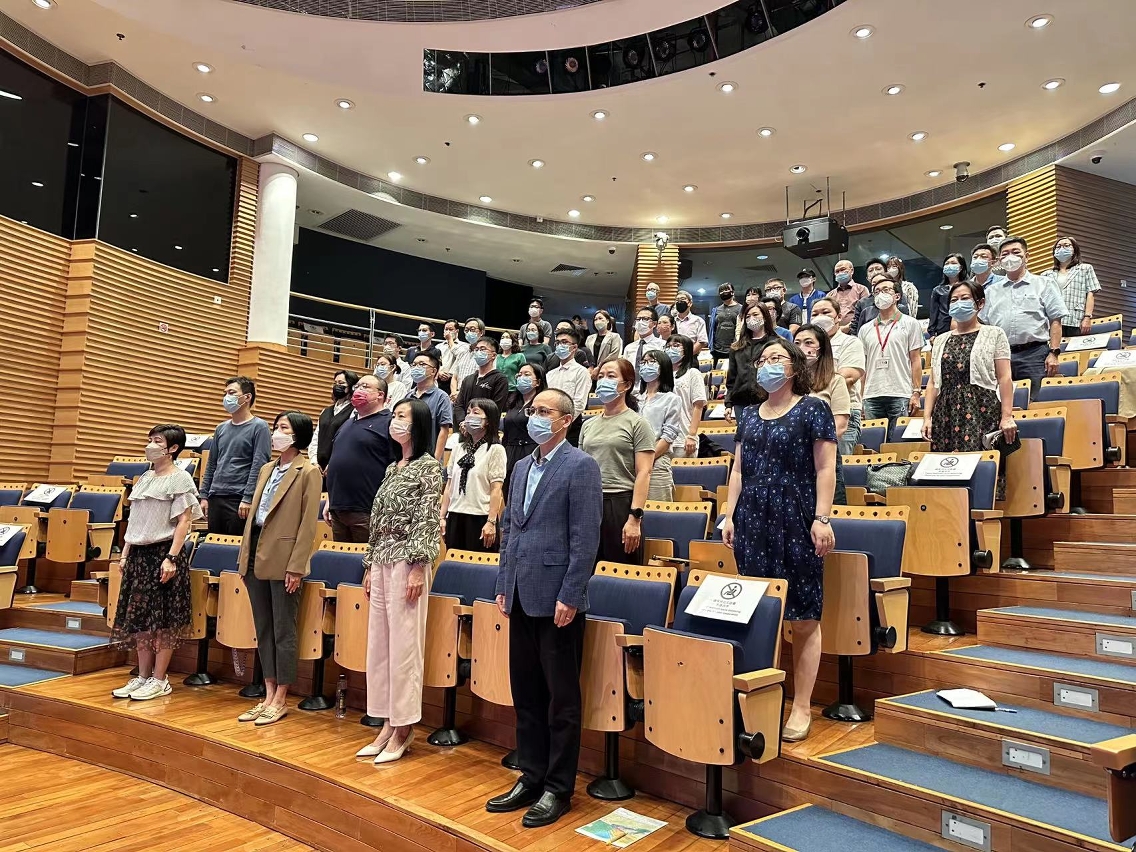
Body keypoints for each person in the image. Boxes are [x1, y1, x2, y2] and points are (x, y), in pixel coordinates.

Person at [486, 388, 602, 828]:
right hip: (520, 593)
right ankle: (531, 776)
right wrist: (503, 583)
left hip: (558, 600)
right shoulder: (520, 467)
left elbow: (585, 539)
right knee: (527, 695)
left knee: (561, 701)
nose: (534, 416)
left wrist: (570, 594)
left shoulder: (581, 465)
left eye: (544, 411)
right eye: (531, 410)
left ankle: (558, 787)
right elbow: (511, 531)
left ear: (565, 420)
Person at [722, 341, 836, 742]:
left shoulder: (813, 408)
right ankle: (759, 699)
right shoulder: (748, 414)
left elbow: (825, 468)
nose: (767, 365)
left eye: (776, 358)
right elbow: (738, 470)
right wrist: (729, 514)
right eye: (763, 360)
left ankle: (801, 705)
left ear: (795, 367)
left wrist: (822, 518)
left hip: (796, 516)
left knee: (803, 617)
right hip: (752, 518)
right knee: (758, 614)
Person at [354, 398, 444, 765]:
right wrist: (368, 564)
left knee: (405, 646)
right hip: (382, 559)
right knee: (380, 644)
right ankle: (386, 722)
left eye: (402, 416)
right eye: (394, 415)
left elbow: (427, 519)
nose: (395, 421)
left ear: (418, 423)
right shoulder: (393, 467)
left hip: (408, 560)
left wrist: (420, 565)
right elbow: (377, 521)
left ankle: (404, 727)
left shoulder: (429, 467)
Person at [235, 411, 321, 727]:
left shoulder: (308, 472)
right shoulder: (267, 468)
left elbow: (308, 525)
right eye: (275, 427)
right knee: (264, 627)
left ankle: (282, 697)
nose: (276, 433)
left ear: (298, 435)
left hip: (285, 559)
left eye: (283, 428)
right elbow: (254, 518)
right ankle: (268, 692)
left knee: (284, 628)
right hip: (256, 552)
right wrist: (243, 558)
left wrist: (296, 567)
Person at [110, 424, 203, 701]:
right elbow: (135, 521)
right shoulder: (145, 477)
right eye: (150, 439)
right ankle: (142, 676)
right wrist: (125, 552)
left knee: (163, 620)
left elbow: (184, 521)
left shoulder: (180, 479)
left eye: (158, 441)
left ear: (172, 448)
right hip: (138, 554)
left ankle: (160, 680)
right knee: (141, 618)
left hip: (164, 554)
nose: (150, 445)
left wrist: (171, 558)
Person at [923, 282, 1016, 452]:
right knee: (946, 462)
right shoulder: (940, 340)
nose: (959, 303)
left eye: (965, 298)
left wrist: (1007, 416)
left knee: (978, 460)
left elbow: (1004, 378)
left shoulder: (995, 333)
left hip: (981, 407)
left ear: (980, 303)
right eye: (954, 300)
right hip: (945, 410)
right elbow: (932, 383)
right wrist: (927, 417)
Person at [580, 358, 653, 563]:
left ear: (627, 385)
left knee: (619, 568)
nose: (604, 380)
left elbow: (644, 472)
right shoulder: (588, 424)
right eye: (601, 376)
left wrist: (634, 517)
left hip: (620, 503)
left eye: (611, 376)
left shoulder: (638, 423)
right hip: (590, 502)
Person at [979, 236, 1067, 397]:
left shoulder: (1044, 284)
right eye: (1005, 254)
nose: (1010, 257)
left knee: (1035, 401)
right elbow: (984, 325)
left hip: (1034, 354)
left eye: (1015, 252)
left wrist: (1054, 353)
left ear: (1026, 256)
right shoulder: (991, 291)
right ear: (999, 260)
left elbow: (1056, 320)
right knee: (1000, 404)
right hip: (1001, 356)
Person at [324, 375, 395, 542]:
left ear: (380, 394)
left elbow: (395, 466)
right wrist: (330, 500)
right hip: (338, 508)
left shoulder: (389, 422)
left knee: (366, 558)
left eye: (365, 386)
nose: (358, 390)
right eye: (357, 386)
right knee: (340, 558)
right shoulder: (347, 423)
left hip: (367, 509)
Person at [200, 377, 271, 536]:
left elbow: (259, 466)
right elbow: (212, 464)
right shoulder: (220, 428)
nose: (227, 397)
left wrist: (248, 498)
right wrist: (204, 495)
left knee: (235, 546)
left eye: (231, 393)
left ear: (247, 397)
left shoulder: (260, 427)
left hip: (239, 498)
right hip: (216, 495)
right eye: (225, 393)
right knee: (214, 544)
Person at [857, 276, 924, 431]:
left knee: (897, 441)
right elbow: (862, 367)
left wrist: (916, 392)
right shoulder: (865, 329)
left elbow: (915, 360)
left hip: (900, 392)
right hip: (871, 394)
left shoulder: (910, 323)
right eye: (877, 291)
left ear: (897, 296)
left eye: (886, 290)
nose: (881, 294)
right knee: (872, 442)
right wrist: (860, 398)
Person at [795, 325, 851, 505]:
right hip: (792, 459)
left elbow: (840, 425)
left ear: (822, 348)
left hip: (823, 456)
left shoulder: (835, 380)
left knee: (829, 512)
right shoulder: (788, 384)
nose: (802, 347)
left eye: (808, 342)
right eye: (797, 343)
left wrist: (809, 444)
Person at [441, 399, 506, 552]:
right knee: (453, 562)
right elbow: (449, 485)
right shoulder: (458, 448)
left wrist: (491, 521)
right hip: (455, 514)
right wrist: (442, 516)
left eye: (476, 413)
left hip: (480, 517)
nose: (470, 416)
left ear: (488, 420)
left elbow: (496, 489)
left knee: (478, 563)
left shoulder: (495, 449)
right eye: (468, 412)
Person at [812, 298, 866, 457]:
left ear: (839, 317)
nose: (820, 317)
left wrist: (811, 388)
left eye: (825, 312)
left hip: (842, 412)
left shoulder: (851, 342)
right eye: (815, 314)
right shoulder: (807, 346)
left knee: (837, 465)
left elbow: (846, 378)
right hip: (812, 413)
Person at [636, 349, 683, 501]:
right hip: (631, 462)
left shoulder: (671, 399)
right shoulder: (635, 399)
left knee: (655, 510)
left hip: (657, 461)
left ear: (663, 367)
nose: (646, 365)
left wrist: (647, 458)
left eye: (652, 362)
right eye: (643, 362)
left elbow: (668, 435)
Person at [725, 302, 780, 419]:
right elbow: (731, 379)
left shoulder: (777, 343)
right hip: (741, 402)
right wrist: (728, 404)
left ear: (765, 317)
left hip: (768, 400)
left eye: (755, 315)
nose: (751, 319)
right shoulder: (737, 347)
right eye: (748, 316)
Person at [1043, 236, 1100, 337]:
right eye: (1058, 247)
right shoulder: (1046, 275)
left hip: (1075, 319)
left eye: (1066, 245)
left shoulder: (1085, 269)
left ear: (1074, 250)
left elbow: (1090, 294)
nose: (1062, 249)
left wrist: (1087, 317)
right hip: (1051, 321)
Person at [502, 363, 547, 489]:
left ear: (538, 382)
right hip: (510, 452)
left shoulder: (542, 404)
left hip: (531, 450)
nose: (522, 378)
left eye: (527, 375)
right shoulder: (513, 402)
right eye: (519, 375)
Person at [546, 329, 591, 446]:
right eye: (557, 342)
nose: (560, 345)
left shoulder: (582, 372)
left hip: (571, 425)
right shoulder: (550, 374)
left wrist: (561, 423)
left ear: (574, 347)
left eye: (564, 342)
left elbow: (579, 403)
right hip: (549, 424)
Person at [665, 334, 708, 458]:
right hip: (662, 440)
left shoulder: (692, 373)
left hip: (683, 439)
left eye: (676, 345)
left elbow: (698, 406)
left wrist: (692, 435)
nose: (671, 349)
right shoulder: (661, 375)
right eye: (668, 346)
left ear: (687, 350)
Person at [309, 370, 358, 474]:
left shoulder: (355, 411)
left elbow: (348, 441)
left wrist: (333, 463)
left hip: (338, 466)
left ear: (352, 386)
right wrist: (314, 461)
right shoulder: (325, 411)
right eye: (335, 383)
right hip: (318, 466)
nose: (337, 386)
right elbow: (316, 437)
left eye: (341, 383)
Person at [408, 351, 453, 462]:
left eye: (422, 364)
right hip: (407, 455)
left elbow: (444, 430)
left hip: (428, 458)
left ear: (433, 371)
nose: (416, 367)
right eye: (414, 364)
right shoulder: (408, 396)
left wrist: (435, 461)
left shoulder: (441, 397)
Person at [454, 335, 510, 423]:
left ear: (493, 355)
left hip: (485, 427)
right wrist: (462, 422)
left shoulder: (500, 379)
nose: (478, 352)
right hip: (464, 426)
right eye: (476, 349)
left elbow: (495, 408)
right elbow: (459, 404)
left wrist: (478, 423)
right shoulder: (468, 379)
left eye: (483, 349)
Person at [849, 260, 912, 334]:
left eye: (878, 269)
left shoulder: (900, 300)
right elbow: (855, 328)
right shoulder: (864, 307)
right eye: (874, 284)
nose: (875, 272)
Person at [929, 254, 968, 338]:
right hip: (942, 330)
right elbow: (933, 313)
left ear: (961, 267)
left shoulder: (969, 287)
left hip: (964, 328)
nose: (950, 266)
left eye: (953, 263)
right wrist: (932, 333)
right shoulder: (938, 290)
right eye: (947, 264)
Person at [621, 306, 665, 379]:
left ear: (654, 324)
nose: (640, 322)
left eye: (645, 319)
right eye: (638, 319)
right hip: (632, 384)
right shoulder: (629, 347)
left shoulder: (662, 345)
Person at [708, 282, 743, 365]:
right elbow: (713, 329)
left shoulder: (741, 308)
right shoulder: (716, 310)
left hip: (734, 349)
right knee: (717, 372)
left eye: (726, 289)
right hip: (717, 349)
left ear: (733, 292)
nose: (724, 292)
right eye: (721, 291)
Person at [829, 260, 869, 329]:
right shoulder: (830, 295)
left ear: (852, 271)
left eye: (843, 269)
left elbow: (865, 313)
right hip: (836, 331)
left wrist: (848, 327)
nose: (840, 273)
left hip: (856, 330)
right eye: (837, 271)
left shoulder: (861, 289)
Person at [586, 310, 622, 380]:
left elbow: (614, 354)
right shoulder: (590, 338)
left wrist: (599, 367)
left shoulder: (614, 336)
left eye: (600, 318)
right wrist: (590, 366)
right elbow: (587, 354)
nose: (597, 321)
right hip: (591, 371)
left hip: (606, 370)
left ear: (607, 320)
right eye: (595, 319)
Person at [438, 319, 471, 395]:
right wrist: (439, 372)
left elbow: (459, 357)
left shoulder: (465, 346)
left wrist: (450, 340)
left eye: (451, 329)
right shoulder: (438, 346)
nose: (448, 332)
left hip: (454, 381)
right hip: (439, 379)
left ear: (457, 331)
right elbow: (435, 363)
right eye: (446, 329)